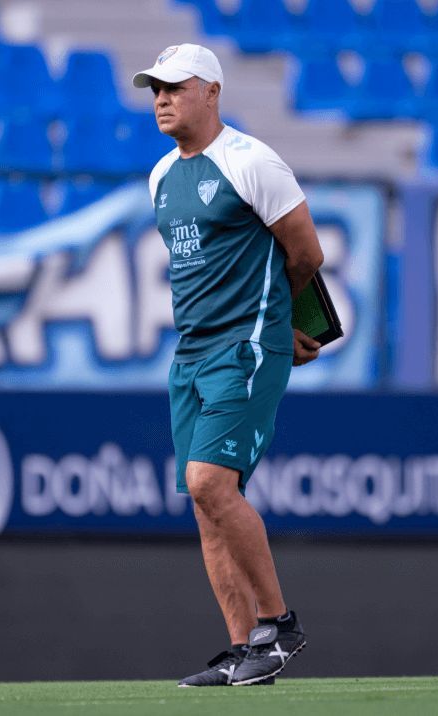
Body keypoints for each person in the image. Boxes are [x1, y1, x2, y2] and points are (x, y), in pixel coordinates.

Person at [132, 43, 325, 687]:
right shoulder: (160, 176)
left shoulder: (250, 162)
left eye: (174, 87)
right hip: (189, 353)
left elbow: (305, 253)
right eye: (154, 88)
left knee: (213, 483)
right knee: (203, 500)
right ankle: (245, 650)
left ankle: (280, 626)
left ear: (211, 92)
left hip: (244, 348)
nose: (160, 98)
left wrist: (284, 325)